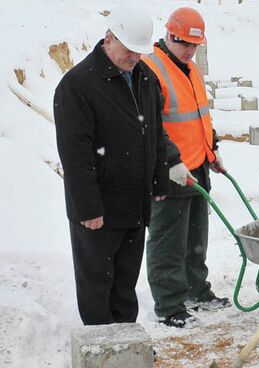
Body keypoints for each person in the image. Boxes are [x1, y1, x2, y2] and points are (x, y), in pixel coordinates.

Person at [53, 7, 169, 325]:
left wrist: (159, 180)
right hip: (99, 211)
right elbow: (75, 155)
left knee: (125, 285)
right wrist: (88, 208)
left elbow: (155, 134)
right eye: (129, 51)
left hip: (134, 204)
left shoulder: (145, 78)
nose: (134, 58)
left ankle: (125, 346)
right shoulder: (77, 86)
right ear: (109, 38)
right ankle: (101, 349)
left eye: (139, 52)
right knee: (97, 286)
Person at [142, 7, 230, 328]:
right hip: (169, 173)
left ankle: (196, 289)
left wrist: (213, 148)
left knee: (196, 238)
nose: (190, 51)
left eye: (195, 46)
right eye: (185, 45)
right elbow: (150, 125)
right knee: (168, 240)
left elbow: (198, 114)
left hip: (197, 167)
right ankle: (168, 303)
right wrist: (170, 161)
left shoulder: (190, 69)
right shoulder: (151, 70)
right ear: (169, 36)